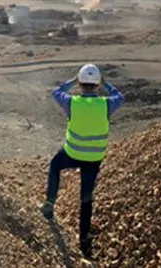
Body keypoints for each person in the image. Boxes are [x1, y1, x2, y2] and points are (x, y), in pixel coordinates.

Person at [41, 63, 125, 259]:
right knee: (86, 199)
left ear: (80, 84)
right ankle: (84, 242)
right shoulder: (106, 104)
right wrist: (106, 84)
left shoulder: (71, 102)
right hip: (93, 159)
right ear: (96, 85)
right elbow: (120, 96)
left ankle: (49, 205)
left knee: (55, 165)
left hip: (72, 153)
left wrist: (71, 81)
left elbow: (56, 92)